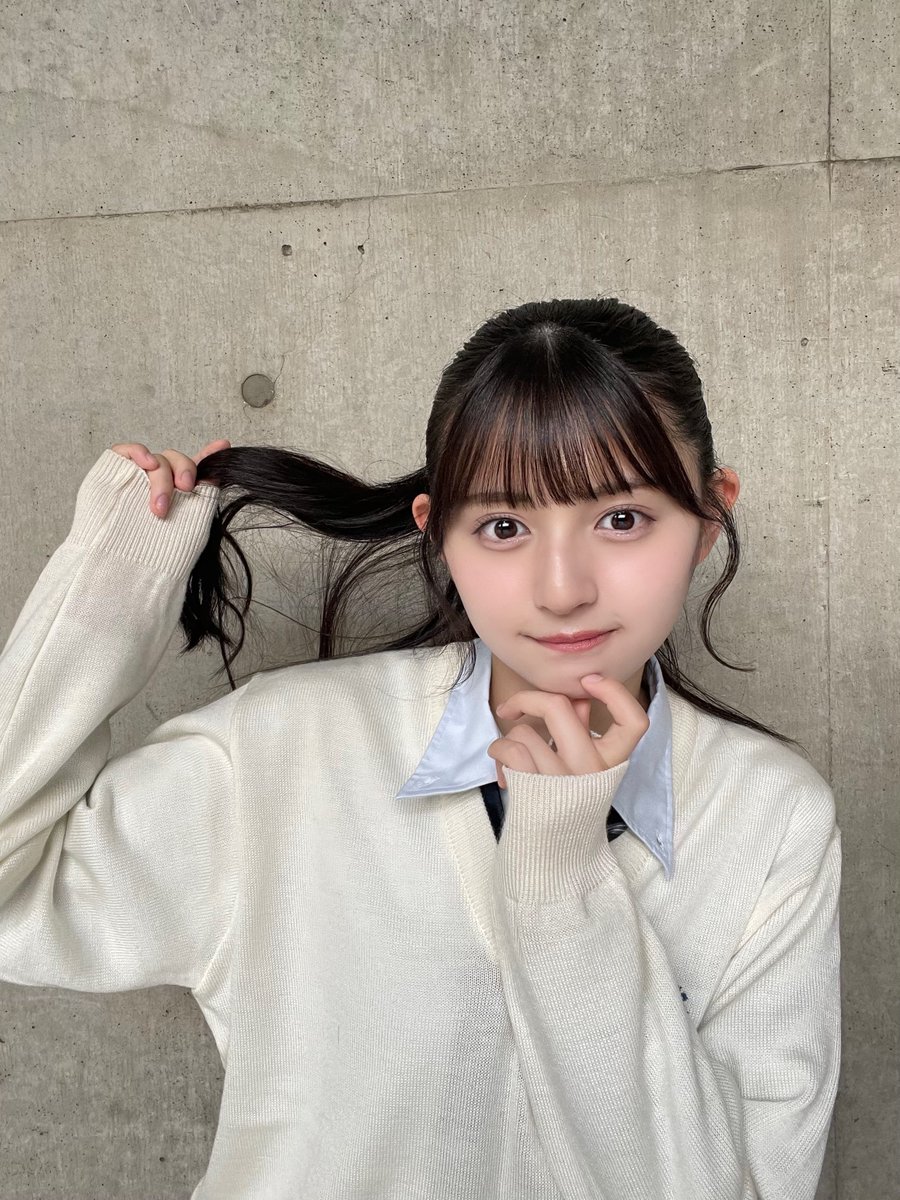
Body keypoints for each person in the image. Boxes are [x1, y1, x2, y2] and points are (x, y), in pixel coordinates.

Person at [0, 298, 840, 1200]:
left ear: (709, 518)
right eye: (505, 527)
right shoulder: (288, 748)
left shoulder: (771, 815)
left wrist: (561, 882)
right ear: (438, 531)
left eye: (623, 519)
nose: (563, 589)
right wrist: (112, 586)